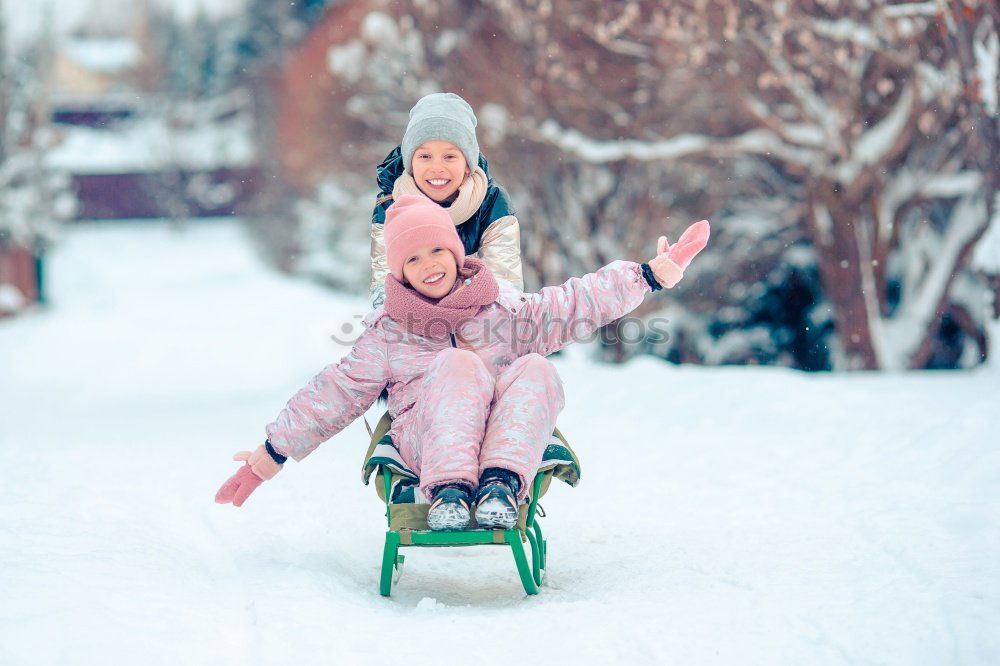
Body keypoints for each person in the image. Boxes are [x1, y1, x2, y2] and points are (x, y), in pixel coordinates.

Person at [216, 195, 710, 531]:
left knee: (536, 369)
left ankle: (500, 487)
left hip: (503, 440)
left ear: (456, 253)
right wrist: (271, 454)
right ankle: (450, 493)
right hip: (428, 441)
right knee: (457, 366)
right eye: (413, 259)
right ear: (400, 272)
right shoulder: (389, 332)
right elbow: (337, 391)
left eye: (438, 250)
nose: (429, 264)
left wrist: (648, 275)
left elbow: (574, 303)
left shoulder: (504, 311)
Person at [368, 92, 522, 309]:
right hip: (415, 319)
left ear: (468, 164)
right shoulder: (391, 203)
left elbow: (504, 284)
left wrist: (475, 327)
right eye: (425, 156)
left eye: (449, 157)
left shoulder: (492, 203)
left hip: (477, 317)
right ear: (410, 163)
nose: (437, 168)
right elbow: (385, 285)